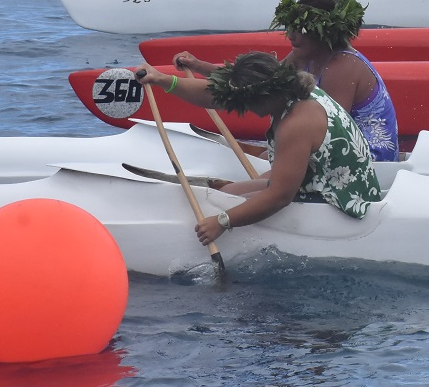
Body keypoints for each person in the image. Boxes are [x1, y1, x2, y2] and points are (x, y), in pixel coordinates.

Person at [135, 51, 382, 244]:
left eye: (246, 103)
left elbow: (280, 197)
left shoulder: (296, 124)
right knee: (228, 192)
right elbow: (217, 95)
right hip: (320, 178)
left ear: (263, 95)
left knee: (225, 205)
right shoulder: (293, 89)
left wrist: (222, 222)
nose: (244, 110)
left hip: (340, 200)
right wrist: (162, 79)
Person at [169, 0, 399, 161]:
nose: (291, 36)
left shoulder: (343, 66)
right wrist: (198, 66)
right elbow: (258, 83)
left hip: (370, 158)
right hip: (332, 144)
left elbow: (331, 131)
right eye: (290, 28)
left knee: (268, 153)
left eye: (300, 31)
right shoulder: (304, 54)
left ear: (325, 33)